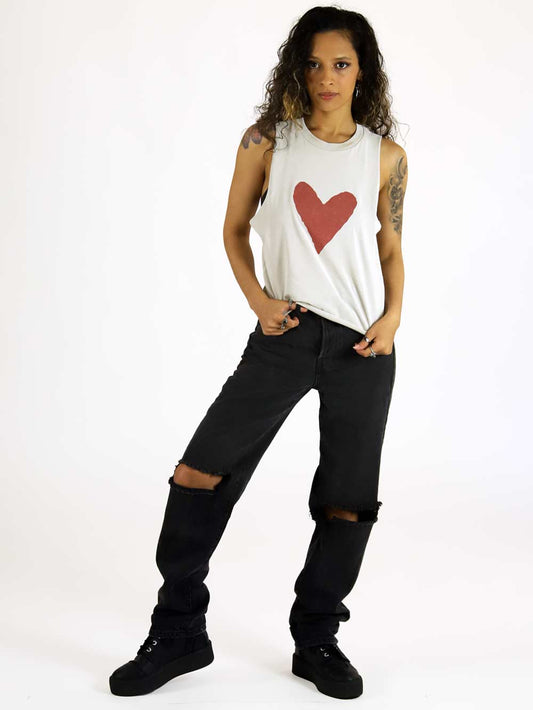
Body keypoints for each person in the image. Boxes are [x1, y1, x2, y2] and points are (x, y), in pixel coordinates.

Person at [109, 5, 407, 701]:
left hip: (362, 346)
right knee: (198, 473)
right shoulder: (266, 141)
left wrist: (393, 317)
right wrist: (258, 302)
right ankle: (179, 630)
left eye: (341, 64)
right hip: (283, 334)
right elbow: (235, 228)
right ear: (295, 69)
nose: (326, 77)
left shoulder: (386, 157)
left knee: (347, 502)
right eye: (313, 63)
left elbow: (390, 246)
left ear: (363, 72)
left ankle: (317, 638)